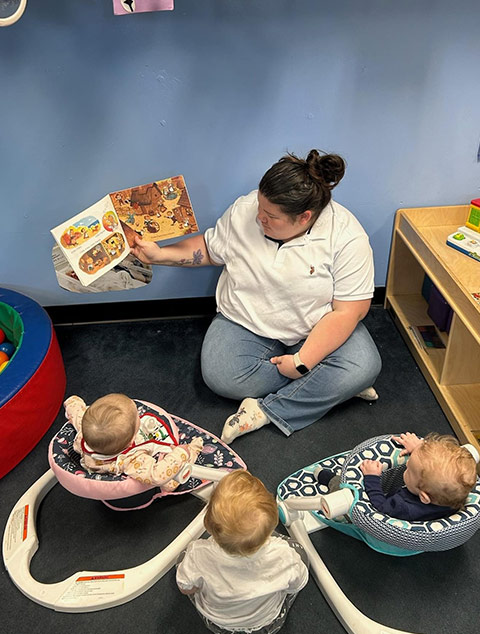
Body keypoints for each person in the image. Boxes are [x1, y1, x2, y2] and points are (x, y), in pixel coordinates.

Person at [131, 149, 382, 443]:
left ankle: (266, 410)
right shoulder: (247, 209)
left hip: (315, 328)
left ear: (304, 217)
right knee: (221, 375)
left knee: (363, 364)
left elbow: (348, 312)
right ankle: (330, 389)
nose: (259, 216)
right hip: (245, 321)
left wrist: (303, 360)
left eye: (270, 216)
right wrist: (160, 255)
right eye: (260, 208)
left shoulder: (347, 236)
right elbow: (211, 250)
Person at [176, 470, 309, 634]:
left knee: (182, 559)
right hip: (267, 621)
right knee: (301, 553)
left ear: (208, 524)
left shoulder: (198, 553)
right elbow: (297, 584)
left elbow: (185, 588)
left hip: (217, 622)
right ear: (272, 524)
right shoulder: (283, 554)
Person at [319, 432, 477, 521]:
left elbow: (379, 507)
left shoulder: (404, 507)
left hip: (383, 528)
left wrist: (372, 477)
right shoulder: (453, 496)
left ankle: (327, 479)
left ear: (424, 497)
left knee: (343, 487)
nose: (406, 467)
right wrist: (419, 449)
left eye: (409, 471)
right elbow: (441, 466)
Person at [64, 393, 203, 491]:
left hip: (93, 461)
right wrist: (181, 453)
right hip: (143, 473)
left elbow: (75, 411)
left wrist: (73, 401)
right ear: (131, 442)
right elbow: (157, 475)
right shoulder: (131, 459)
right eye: (138, 417)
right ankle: (193, 449)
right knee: (168, 483)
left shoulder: (84, 431)